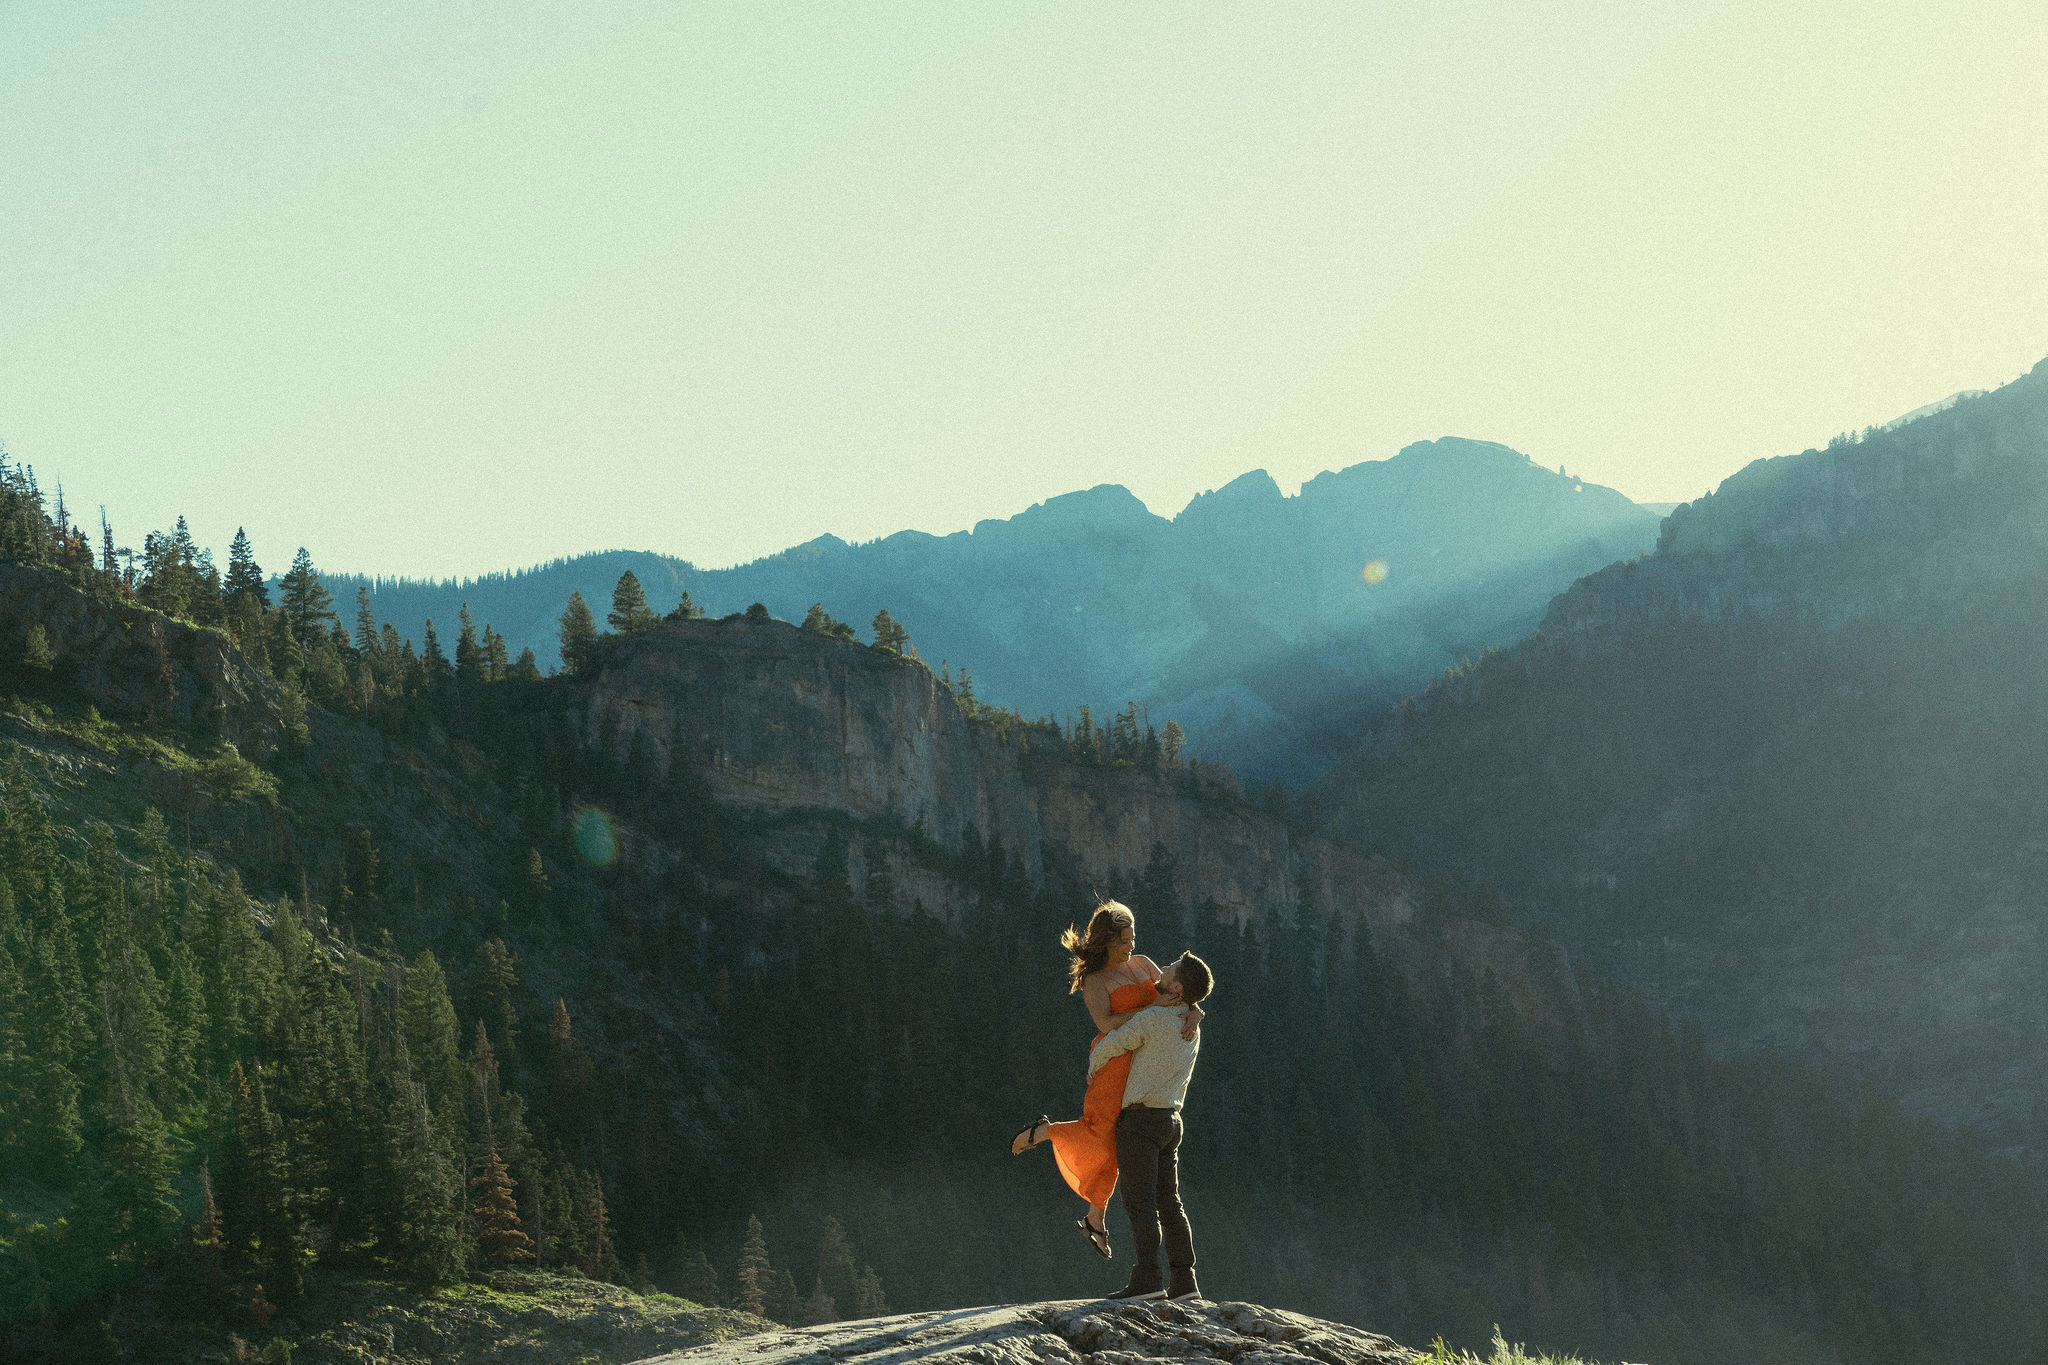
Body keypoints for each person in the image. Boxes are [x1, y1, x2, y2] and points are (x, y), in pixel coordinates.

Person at [1009, 901, 1202, 1259]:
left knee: (1120, 1142)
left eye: (1133, 938)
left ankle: (1095, 1217)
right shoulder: (1094, 981)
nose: (1132, 945)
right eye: (1125, 940)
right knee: (1103, 1131)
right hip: (1115, 1057)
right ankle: (1045, 1132)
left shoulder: (1143, 964)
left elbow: (1176, 991)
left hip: (1144, 1060)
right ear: (1108, 942)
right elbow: (1106, 1025)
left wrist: (1194, 1011)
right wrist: (1151, 1014)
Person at [1089, 950, 1211, 1301]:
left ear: (1175, 986)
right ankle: (1185, 1281)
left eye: (1171, 968)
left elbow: (1111, 1044)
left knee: (1139, 1202)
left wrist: (1094, 1066)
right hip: (1171, 1121)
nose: (1165, 967)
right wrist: (1193, 1012)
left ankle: (1148, 1279)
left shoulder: (1153, 1020)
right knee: (1169, 1202)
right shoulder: (1191, 1026)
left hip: (1140, 1121)